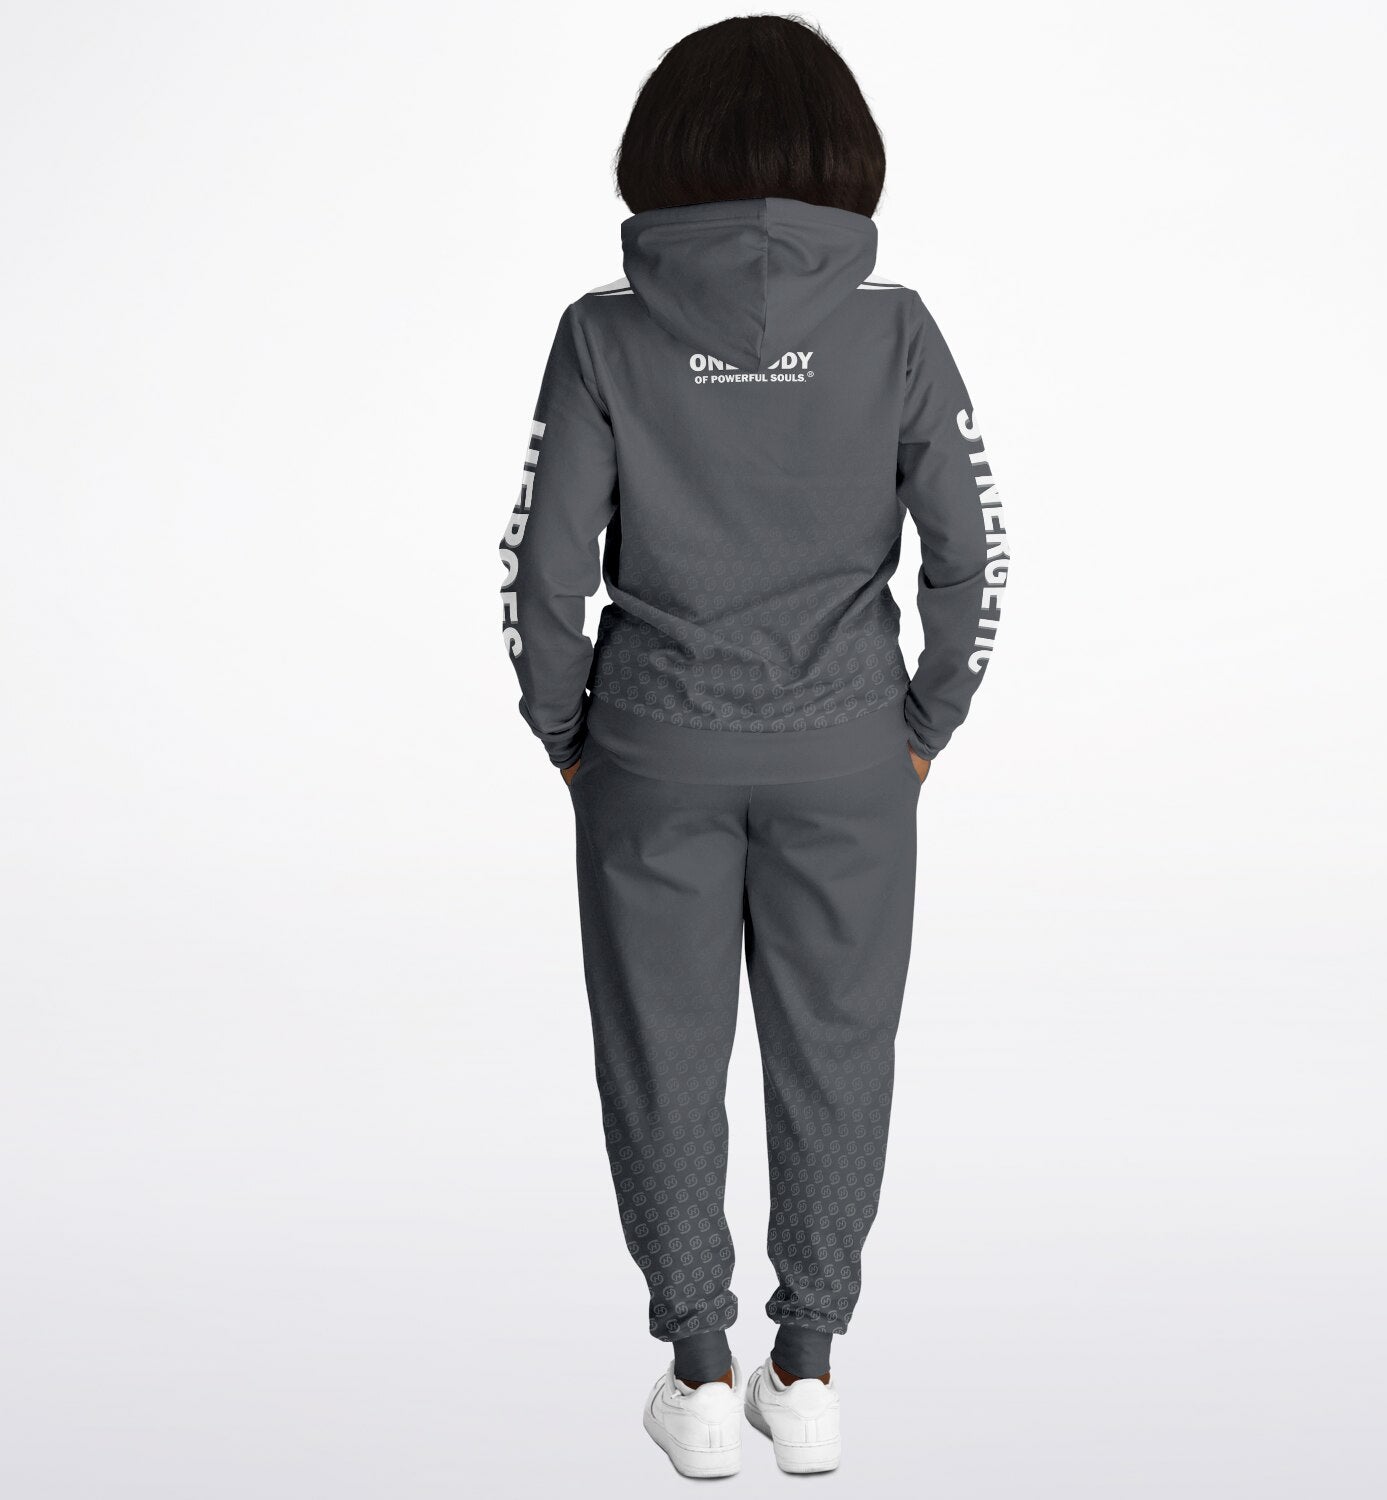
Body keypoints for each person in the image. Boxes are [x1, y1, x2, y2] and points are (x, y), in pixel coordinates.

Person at [500, 16, 1006, 1479]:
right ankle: (812, 1369)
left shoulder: (603, 333)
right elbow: (972, 554)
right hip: (849, 758)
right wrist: (923, 726)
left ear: (662, 153)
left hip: (650, 755)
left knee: (661, 1058)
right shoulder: (895, 330)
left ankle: (700, 1376)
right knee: (838, 1052)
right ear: (844, 155)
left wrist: (567, 733)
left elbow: (544, 568)